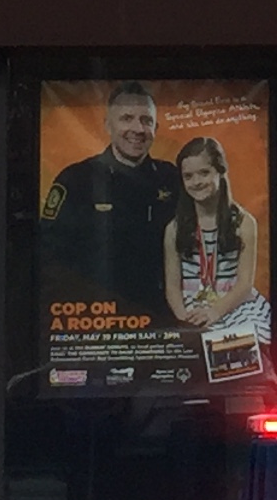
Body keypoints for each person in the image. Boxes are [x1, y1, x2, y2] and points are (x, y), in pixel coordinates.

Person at [41, 81, 180, 322]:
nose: (137, 129)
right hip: (99, 319)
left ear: (156, 127)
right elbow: (50, 259)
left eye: (146, 120)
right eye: (126, 118)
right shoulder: (76, 180)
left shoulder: (172, 178)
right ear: (108, 124)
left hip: (162, 319)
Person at [162, 135, 269, 377]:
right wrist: (185, 320)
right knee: (186, 353)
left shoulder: (244, 223)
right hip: (192, 310)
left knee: (236, 360)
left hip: (235, 307)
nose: (196, 182)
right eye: (188, 176)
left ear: (220, 172)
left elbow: (244, 286)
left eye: (204, 173)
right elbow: (172, 287)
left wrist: (214, 312)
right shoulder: (174, 229)